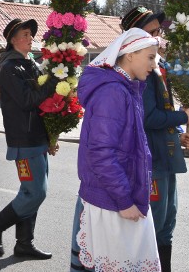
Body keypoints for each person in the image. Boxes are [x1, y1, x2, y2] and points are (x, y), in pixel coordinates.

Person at [72, 27, 161, 271]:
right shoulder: (112, 91)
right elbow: (101, 153)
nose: (154, 65)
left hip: (123, 196)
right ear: (130, 55)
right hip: (113, 201)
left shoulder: (127, 89)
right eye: (151, 57)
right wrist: (124, 201)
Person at [120, 6, 189, 271]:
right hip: (152, 159)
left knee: (167, 224)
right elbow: (148, 117)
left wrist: (178, 134)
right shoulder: (139, 69)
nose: (158, 36)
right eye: (152, 31)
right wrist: (182, 117)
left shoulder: (156, 65)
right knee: (155, 224)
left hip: (166, 155)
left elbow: (161, 111)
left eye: (159, 31)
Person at [0, 18, 57, 260]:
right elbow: (27, 100)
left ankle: (24, 243)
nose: (30, 38)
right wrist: (53, 84)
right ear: (12, 40)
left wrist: (51, 135)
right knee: (36, 193)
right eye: (24, 34)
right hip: (23, 141)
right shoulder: (9, 69)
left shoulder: (31, 64)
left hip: (38, 138)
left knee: (31, 191)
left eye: (30, 34)